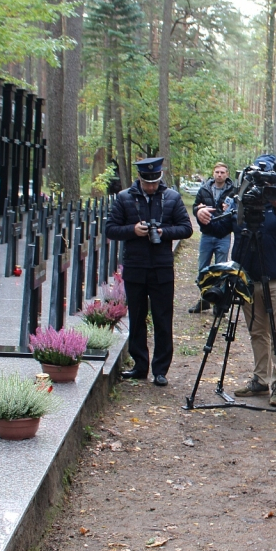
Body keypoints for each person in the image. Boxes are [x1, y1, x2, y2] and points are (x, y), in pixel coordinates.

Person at [209, 154, 276, 407]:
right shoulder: (242, 200)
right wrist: (202, 215)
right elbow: (219, 228)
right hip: (249, 277)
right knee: (257, 331)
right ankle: (261, 378)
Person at [106, 156, 193, 386]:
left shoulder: (172, 198)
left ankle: (161, 369)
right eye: (147, 183)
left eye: (155, 182)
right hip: (135, 267)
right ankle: (139, 365)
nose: (152, 187)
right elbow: (111, 229)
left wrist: (164, 232)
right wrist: (133, 230)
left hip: (161, 267)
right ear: (140, 179)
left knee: (163, 319)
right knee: (137, 318)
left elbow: (186, 228)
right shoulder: (124, 198)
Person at [189, 162, 238, 313]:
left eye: (222, 172)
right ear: (213, 173)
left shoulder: (233, 191)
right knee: (203, 269)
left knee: (221, 270)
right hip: (207, 235)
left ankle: (218, 302)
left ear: (227, 174)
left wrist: (231, 209)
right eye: (217, 172)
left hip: (223, 235)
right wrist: (199, 210)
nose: (219, 175)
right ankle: (204, 299)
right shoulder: (204, 189)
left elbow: (239, 212)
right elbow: (195, 207)